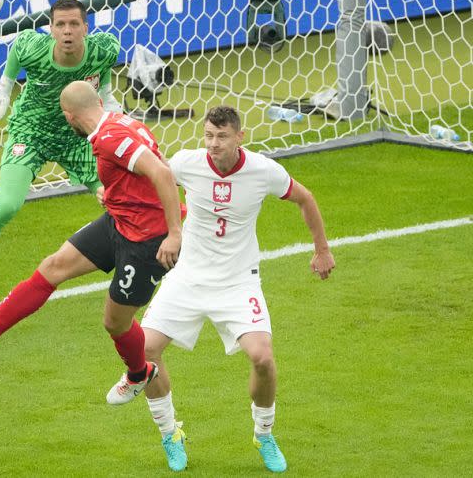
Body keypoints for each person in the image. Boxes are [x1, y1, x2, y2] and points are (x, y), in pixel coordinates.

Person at [0, 80, 182, 405]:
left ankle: (138, 374)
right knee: (53, 267)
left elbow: (162, 174)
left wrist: (175, 233)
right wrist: (116, 194)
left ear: (69, 114)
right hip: (120, 221)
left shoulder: (109, 138)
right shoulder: (118, 123)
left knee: (115, 322)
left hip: (147, 241)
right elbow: (139, 173)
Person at [138, 105, 335, 473]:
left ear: (240, 137)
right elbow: (155, 179)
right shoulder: (186, 162)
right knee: (144, 351)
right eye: (209, 136)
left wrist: (321, 249)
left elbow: (304, 198)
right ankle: (170, 433)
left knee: (262, 357)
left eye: (222, 137)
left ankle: (264, 434)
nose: (213, 144)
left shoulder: (263, 171)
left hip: (238, 280)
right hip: (187, 278)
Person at [0, 0, 122, 319]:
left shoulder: (105, 48)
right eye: (60, 25)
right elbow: (17, 49)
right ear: (50, 29)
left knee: (119, 199)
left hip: (76, 137)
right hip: (30, 133)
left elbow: (101, 76)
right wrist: (4, 89)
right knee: (6, 205)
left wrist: (107, 97)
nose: (67, 31)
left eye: (74, 24)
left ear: (85, 29)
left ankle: (142, 267)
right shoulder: (33, 47)